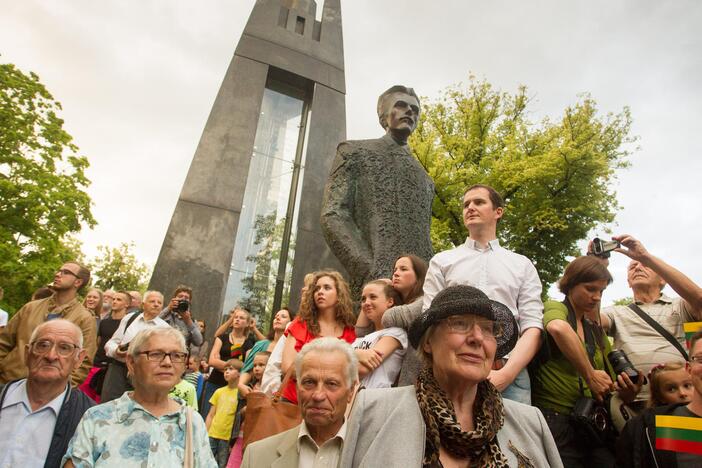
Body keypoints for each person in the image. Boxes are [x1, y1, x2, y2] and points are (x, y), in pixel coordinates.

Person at [340, 285, 562, 467]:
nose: (477, 338)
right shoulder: (372, 410)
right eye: (459, 324)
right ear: (428, 342)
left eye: (488, 329)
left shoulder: (532, 423)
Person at [423, 184, 543, 404]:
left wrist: (506, 375)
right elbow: (429, 320)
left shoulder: (522, 265)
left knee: (513, 439)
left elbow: (532, 326)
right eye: (466, 204)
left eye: (478, 202)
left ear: (498, 212)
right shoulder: (442, 262)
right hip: (452, 372)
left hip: (509, 374)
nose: (470, 207)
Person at [321, 85, 434, 299]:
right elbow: (333, 214)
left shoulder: (425, 178)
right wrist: (367, 268)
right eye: (401, 106)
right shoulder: (354, 152)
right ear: (383, 115)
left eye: (415, 109)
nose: (409, 112)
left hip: (422, 291)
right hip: (374, 285)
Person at [531, 256, 635, 467]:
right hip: (555, 418)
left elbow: (609, 380)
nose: (596, 297)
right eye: (590, 289)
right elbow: (557, 328)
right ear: (570, 284)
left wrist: (628, 389)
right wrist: (590, 375)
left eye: (601, 291)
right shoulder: (555, 308)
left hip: (590, 422)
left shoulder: (595, 330)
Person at [62, 327, 217, 467]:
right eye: (156, 354)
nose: (167, 362)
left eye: (177, 355)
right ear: (131, 362)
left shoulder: (192, 422)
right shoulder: (97, 418)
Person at [590, 234, 702, 408]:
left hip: (682, 401)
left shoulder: (679, 306)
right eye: (632, 266)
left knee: (675, 437)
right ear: (628, 281)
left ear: (663, 279)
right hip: (633, 403)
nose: (638, 267)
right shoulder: (616, 312)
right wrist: (596, 267)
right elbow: (591, 321)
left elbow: (700, 300)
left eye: (645, 266)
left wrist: (645, 257)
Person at [241, 338, 359, 468]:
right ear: (297, 388)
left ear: (351, 391)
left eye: (331, 384)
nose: (318, 395)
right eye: (309, 382)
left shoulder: (374, 455)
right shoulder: (257, 456)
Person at [0, 320, 94, 468]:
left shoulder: (89, 419)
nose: (51, 356)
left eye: (64, 348)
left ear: (79, 359)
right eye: (43, 345)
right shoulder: (3, 397)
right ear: (27, 353)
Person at [0, 262, 97, 387]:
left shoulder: (85, 318)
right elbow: (4, 342)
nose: (57, 274)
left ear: (77, 282)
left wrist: (58, 390)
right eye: (59, 271)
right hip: (8, 382)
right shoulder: (30, 308)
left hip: (48, 392)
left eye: (65, 272)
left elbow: (83, 362)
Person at [617, 331, 702, 468]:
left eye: (686, 386)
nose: (681, 393)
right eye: (701, 359)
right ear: (689, 369)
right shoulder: (648, 428)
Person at [281, 270, 356, 404]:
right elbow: (287, 367)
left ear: (339, 294)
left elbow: (349, 373)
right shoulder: (301, 324)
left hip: (330, 406)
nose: (320, 292)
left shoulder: (350, 331)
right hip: (293, 403)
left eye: (327, 288)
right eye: (317, 289)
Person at [101, 291, 170, 402]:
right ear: (143, 304)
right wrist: (117, 351)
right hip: (118, 370)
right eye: (152, 301)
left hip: (143, 375)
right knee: (108, 406)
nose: (156, 304)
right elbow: (111, 343)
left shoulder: (165, 329)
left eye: (159, 302)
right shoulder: (130, 318)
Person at [352, 280, 407, 388]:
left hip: (373, 399)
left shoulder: (395, 333)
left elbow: (362, 369)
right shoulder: (361, 339)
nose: (366, 302)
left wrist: (352, 353)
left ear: (390, 301)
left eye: (373, 297)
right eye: (363, 299)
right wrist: (356, 354)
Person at [79, 291, 132, 402]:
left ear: (127, 304)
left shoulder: (129, 324)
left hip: (112, 369)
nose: (114, 302)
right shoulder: (104, 322)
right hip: (96, 365)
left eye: (119, 299)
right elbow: (97, 342)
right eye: (114, 299)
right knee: (83, 397)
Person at [202, 308, 256, 417]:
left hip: (234, 387)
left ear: (247, 323)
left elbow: (247, 367)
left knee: (226, 420)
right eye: (235, 317)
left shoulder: (249, 343)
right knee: (208, 415)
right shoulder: (222, 338)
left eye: (241, 318)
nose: (237, 320)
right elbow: (212, 361)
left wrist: (221, 364)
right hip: (215, 383)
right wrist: (235, 368)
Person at [206, 359, 243, 467]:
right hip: (212, 434)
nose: (226, 372)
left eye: (231, 369)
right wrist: (205, 433)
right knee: (206, 461)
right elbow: (211, 415)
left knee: (223, 464)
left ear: (240, 373)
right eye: (225, 369)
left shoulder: (240, 394)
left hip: (227, 438)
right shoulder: (219, 392)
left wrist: (234, 441)